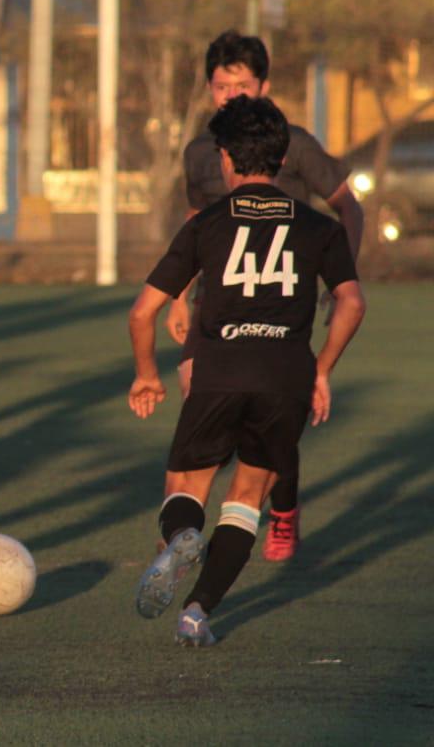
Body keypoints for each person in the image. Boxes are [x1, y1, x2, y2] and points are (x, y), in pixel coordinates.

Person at [128, 96, 365, 646]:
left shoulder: (206, 224)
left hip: (219, 370)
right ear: (282, 162)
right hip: (285, 376)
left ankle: (184, 536)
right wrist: (322, 368)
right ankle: (196, 613)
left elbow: (143, 311)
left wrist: (146, 375)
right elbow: (352, 303)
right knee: (248, 496)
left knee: (187, 487)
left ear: (228, 159)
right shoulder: (317, 227)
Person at [171, 30, 364, 562]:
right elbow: (194, 221)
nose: (232, 94)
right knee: (197, 392)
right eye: (221, 84)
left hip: (282, 297)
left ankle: (280, 505)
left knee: (276, 406)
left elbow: (349, 206)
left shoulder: (294, 143)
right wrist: (178, 296)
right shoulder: (199, 152)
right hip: (219, 297)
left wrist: (338, 277)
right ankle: (191, 523)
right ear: (208, 87)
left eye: (243, 84)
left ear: (265, 85)